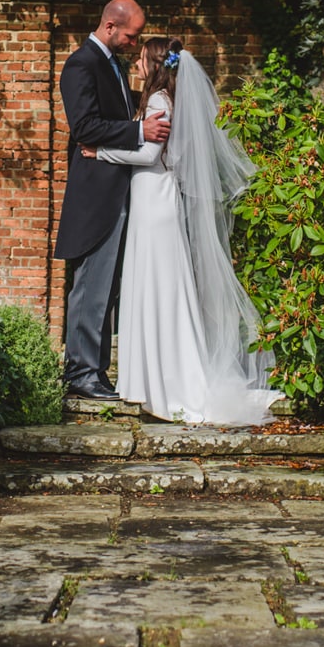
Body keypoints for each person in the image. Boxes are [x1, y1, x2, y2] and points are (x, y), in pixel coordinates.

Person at [84, 37, 280, 424]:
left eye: (141, 59)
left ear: (155, 64)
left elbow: (148, 154)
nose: (137, 65)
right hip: (155, 200)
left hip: (154, 203)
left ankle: (164, 385)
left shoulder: (158, 101)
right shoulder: (165, 99)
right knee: (161, 288)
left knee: (158, 288)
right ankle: (153, 382)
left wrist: (100, 152)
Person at [53, 0, 171, 400]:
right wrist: (139, 133)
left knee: (108, 289)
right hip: (95, 194)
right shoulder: (81, 64)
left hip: (117, 190)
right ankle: (81, 373)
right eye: (131, 35)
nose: (133, 43)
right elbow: (84, 125)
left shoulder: (112, 65)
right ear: (110, 26)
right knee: (91, 285)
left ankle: (95, 371)